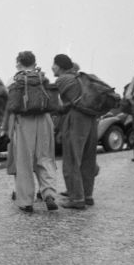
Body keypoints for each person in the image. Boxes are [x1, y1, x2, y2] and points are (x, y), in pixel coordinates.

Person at [3, 52, 58, 213]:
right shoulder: (43, 78)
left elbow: (9, 105)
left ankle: (26, 201)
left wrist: (6, 127)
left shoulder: (14, 79)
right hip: (44, 119)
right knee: (45, 157)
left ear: (19, 63)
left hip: (23, 121)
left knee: (24, 161)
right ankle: (49, 193)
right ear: (34, 62)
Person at [52, 53, 96, 209]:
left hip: (76, 120)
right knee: (88, 159)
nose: (52, 67)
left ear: (59, 66)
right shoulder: (80, 78)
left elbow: (59, 106)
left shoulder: (63, 80)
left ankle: (76, 199)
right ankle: (88, 195)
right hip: (91, 118)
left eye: (54, 64)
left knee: (71, 159)